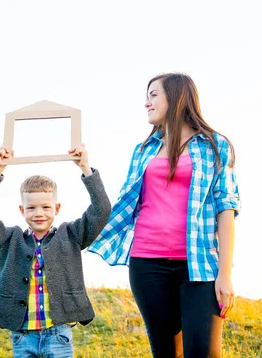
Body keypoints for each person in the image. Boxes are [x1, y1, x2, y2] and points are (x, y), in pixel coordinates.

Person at [88, 73, 240, 358]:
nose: (147, 103)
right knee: (166, 353)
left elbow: (226, 208)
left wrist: (225, 273)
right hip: (147, 265)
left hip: (200, 266)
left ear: (177, 96)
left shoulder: (215, 146)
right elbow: (123, 203)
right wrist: (87, 171)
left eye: (153, 95)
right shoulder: (144, 150)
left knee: (204, 352)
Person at [0, 145, 111, 357]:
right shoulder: (9, 238)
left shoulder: (71, 235)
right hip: (22, 336)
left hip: (58, 334)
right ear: (22, 210)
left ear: (57, 208)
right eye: (31, 208)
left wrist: (85, 167)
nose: (39, 213)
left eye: (46, 207)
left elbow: (101, 209)